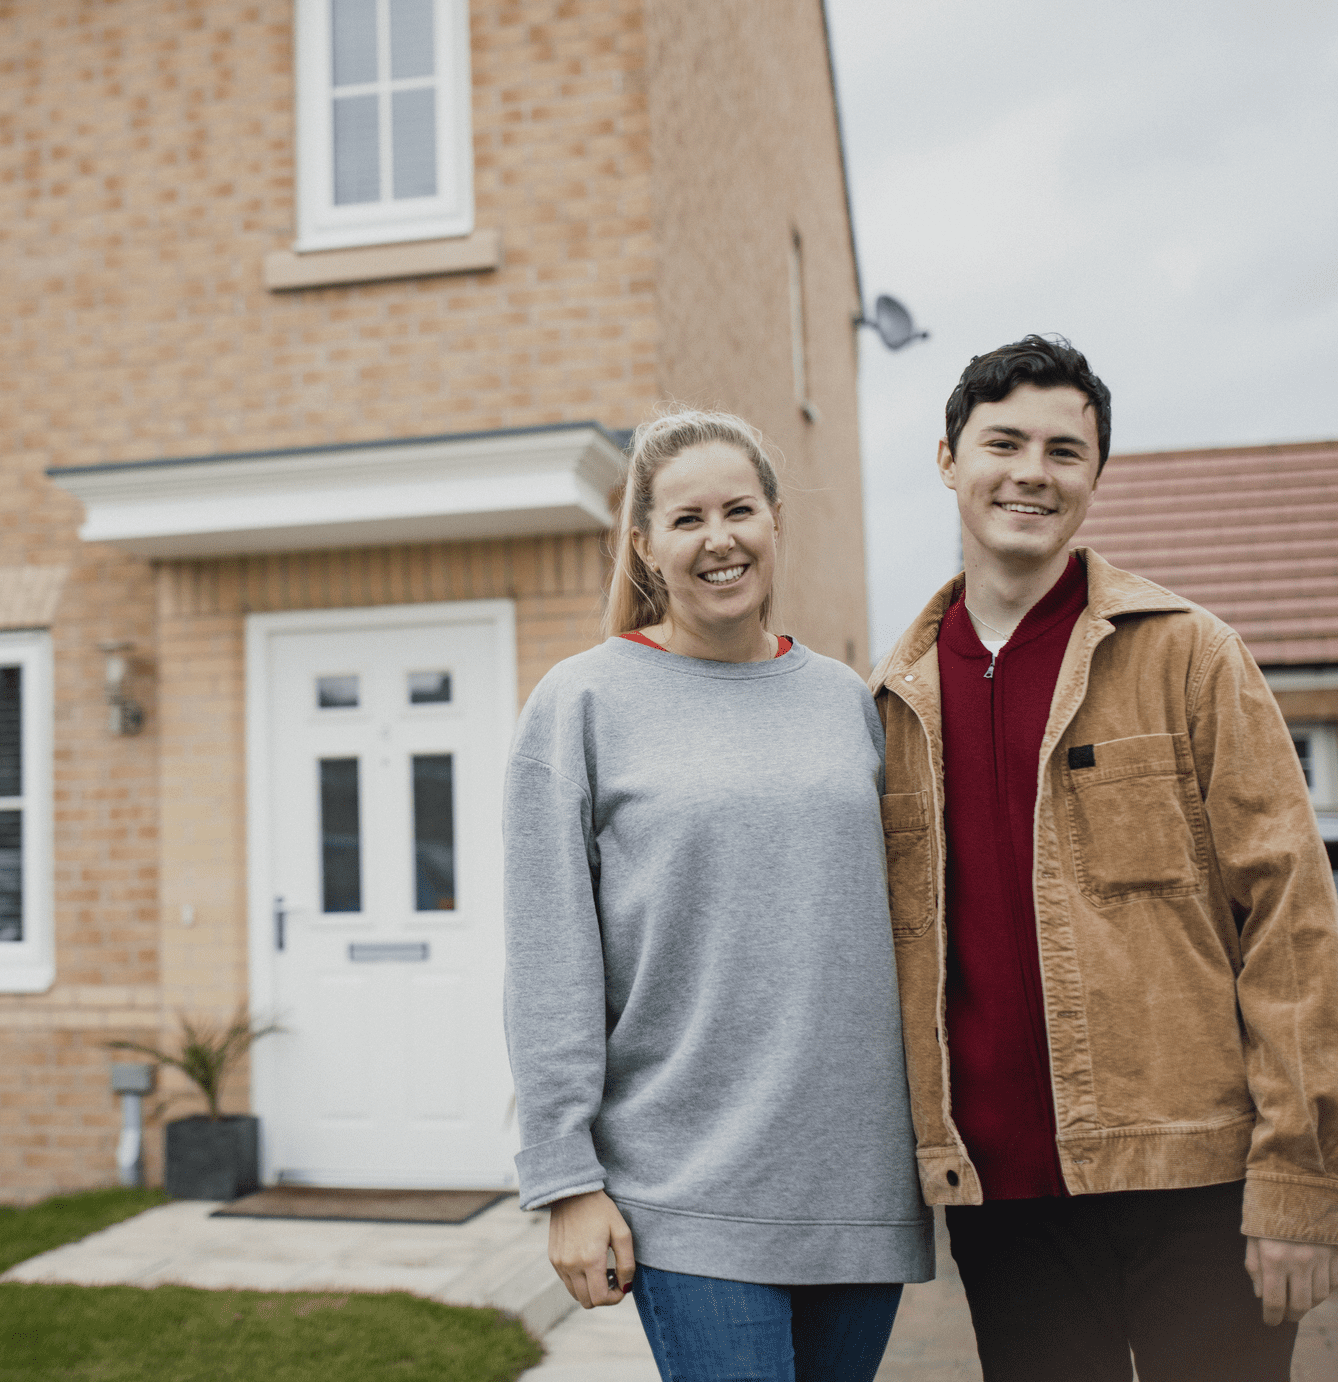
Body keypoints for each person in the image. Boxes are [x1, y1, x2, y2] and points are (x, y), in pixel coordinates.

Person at [869, 334, 1338, 1381]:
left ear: (1092, 477)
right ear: (945, 457)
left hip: (1196, 1185)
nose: (1030, 472)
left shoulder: (1187, 654)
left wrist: (1297, 1186)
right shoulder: (890, 700)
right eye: (1001, 442)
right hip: (1003, 1205)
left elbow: (1292, 923)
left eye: (1062, 450)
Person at [502, 409, 934, 1382]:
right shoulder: (581, 703)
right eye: (687, 517)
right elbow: (547, 959)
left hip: (855, 1180)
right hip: (684, 1180)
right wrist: (564, 1178)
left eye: (738, 509)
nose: (718, 537)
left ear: (774, 521)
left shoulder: (847, 703)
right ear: (646, 544)